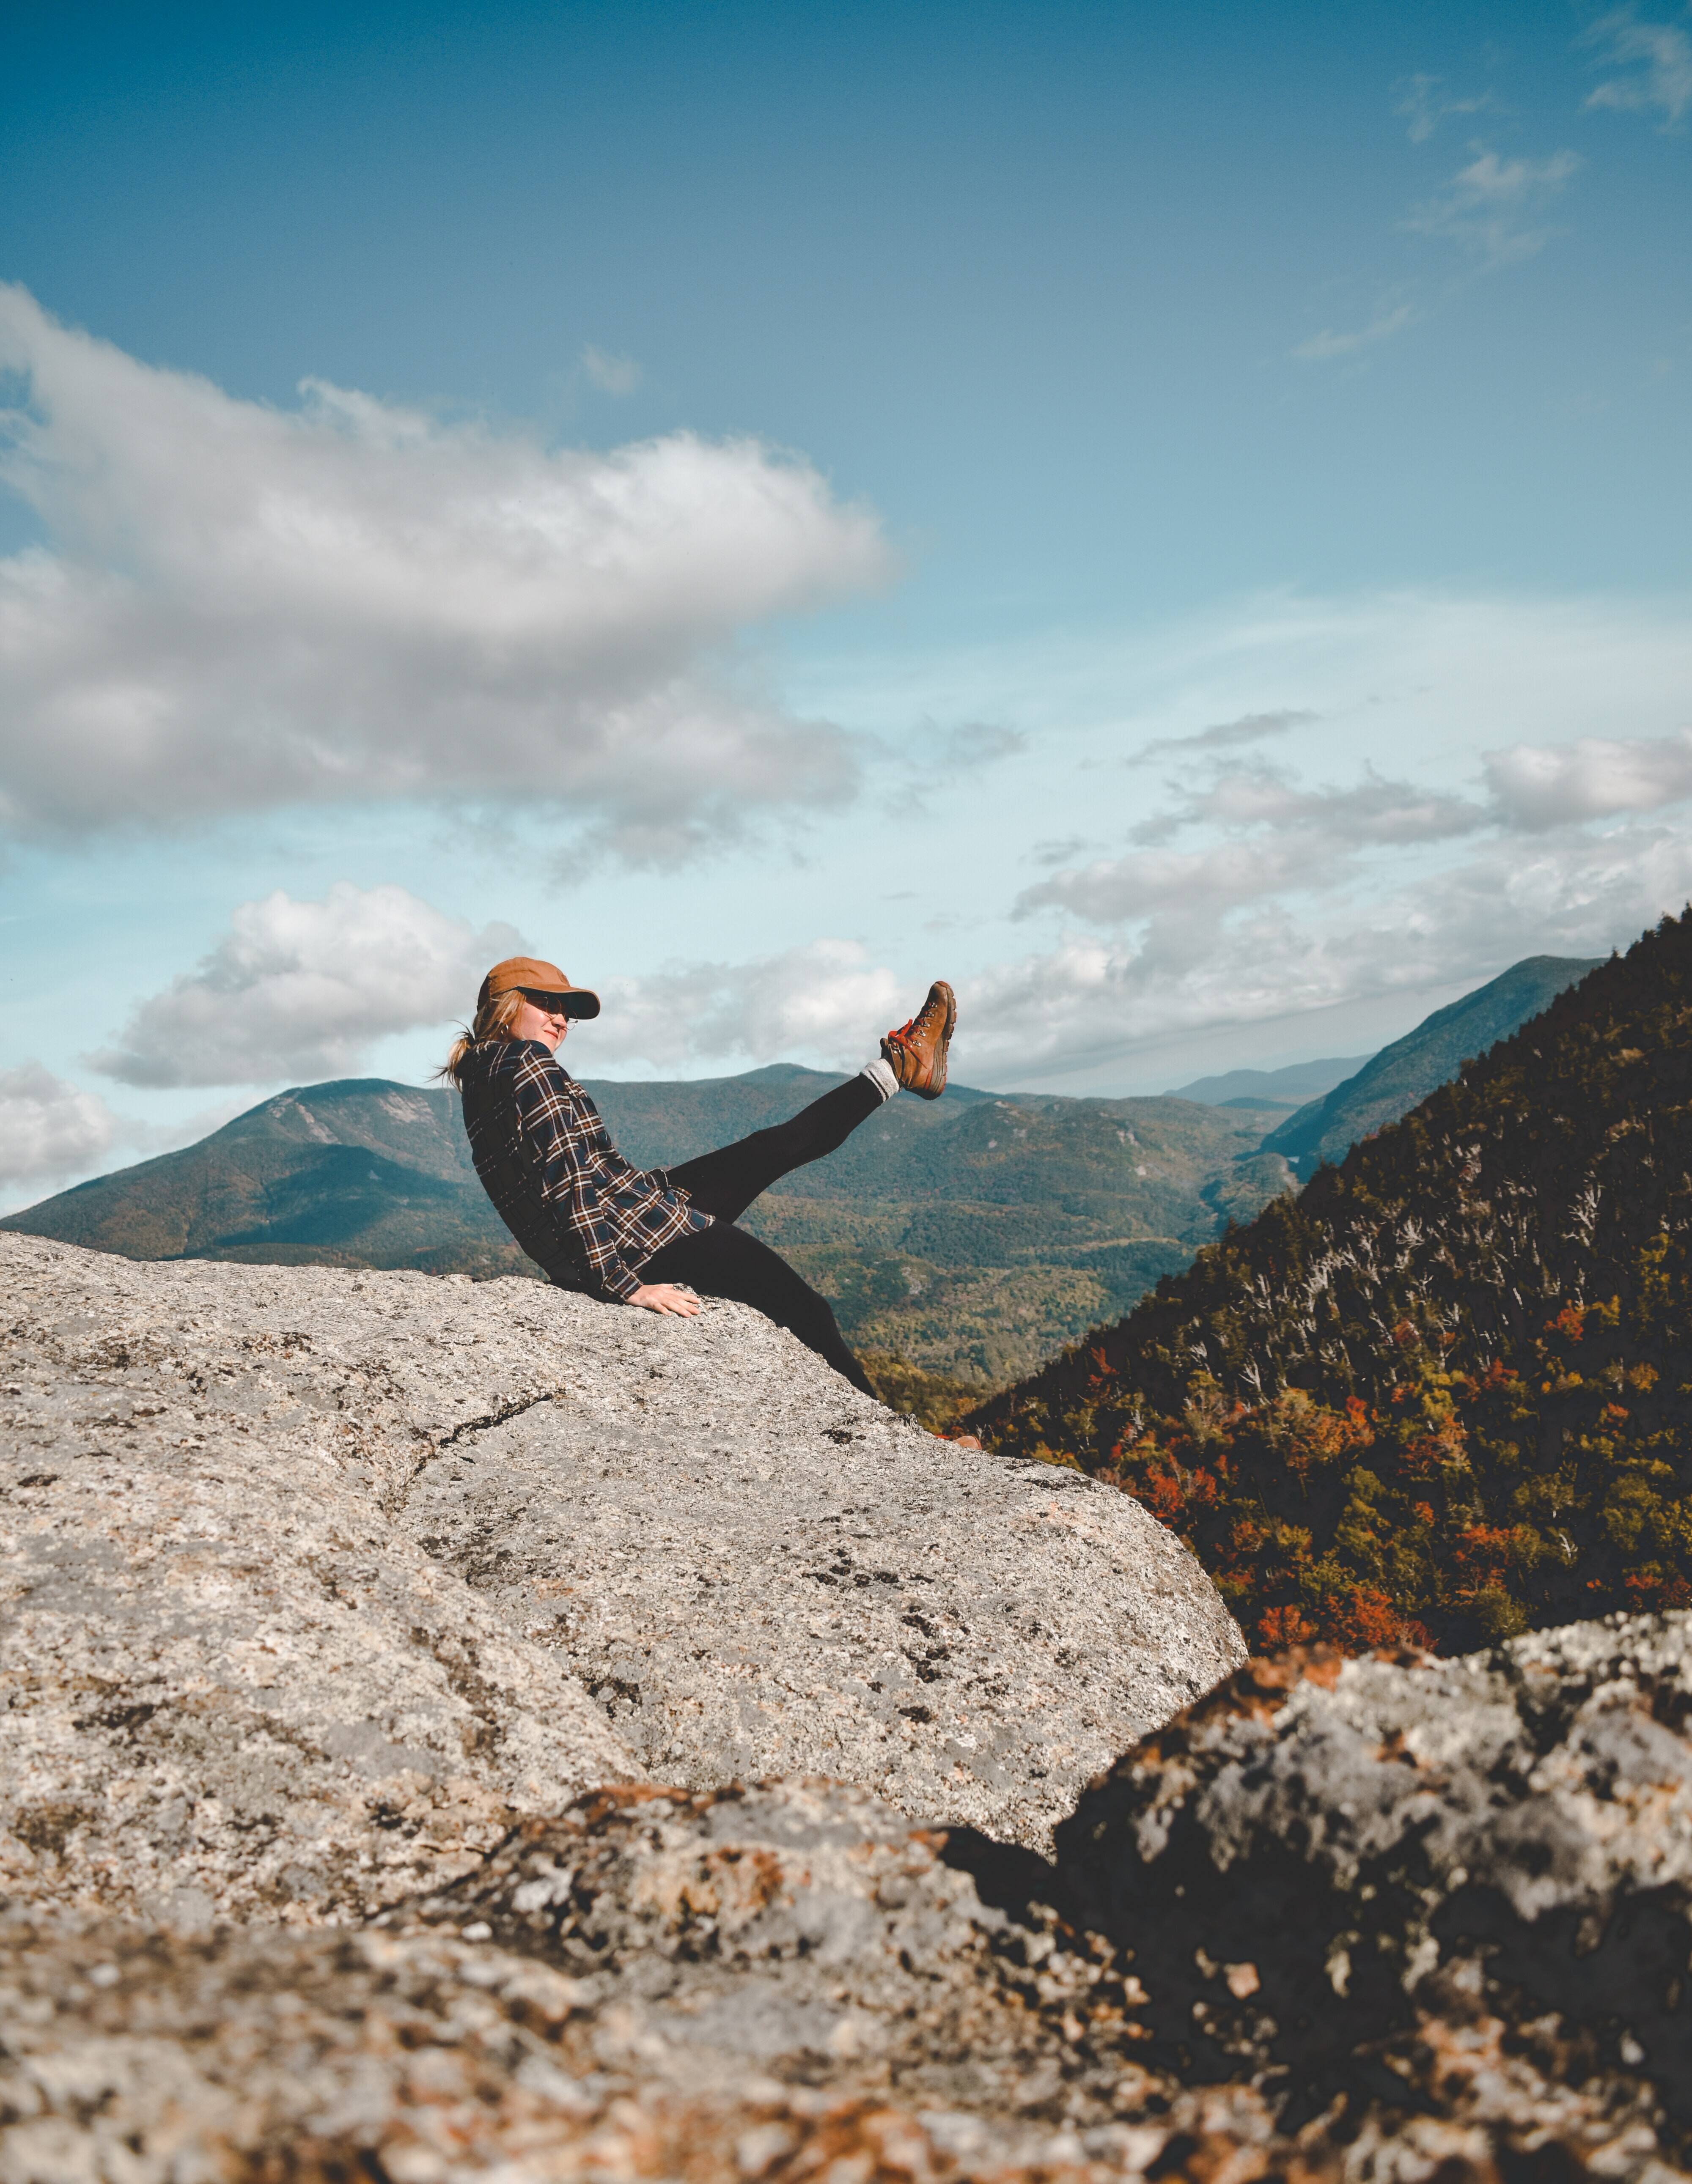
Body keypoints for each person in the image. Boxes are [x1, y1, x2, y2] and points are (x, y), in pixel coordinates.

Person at [442, 955, 956, 1396]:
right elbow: (567, 1182)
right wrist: (624, 1285)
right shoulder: (528, 1063)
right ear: (506, 1004)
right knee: (808, 1310)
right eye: (547, 1003)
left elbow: (536, 1194)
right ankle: (907, 1444)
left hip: (632, 1209)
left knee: (769, 1148)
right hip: (639, 1239)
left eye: (566, 1012)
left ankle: (901, 1065)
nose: (560, 1020)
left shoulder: (480, 1078)